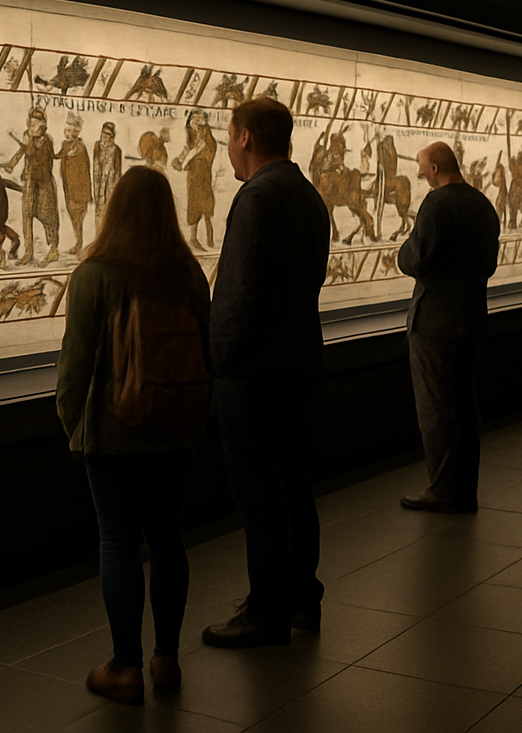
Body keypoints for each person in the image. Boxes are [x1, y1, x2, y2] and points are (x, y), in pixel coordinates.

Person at [55, 167, 211, 705]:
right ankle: (166, 660)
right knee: (168, 538)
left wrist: (75, 425)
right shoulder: (187, 273)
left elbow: (75, 366)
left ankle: (124, 666)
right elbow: (207, 352)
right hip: (176, 429)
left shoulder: (96, 274)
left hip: (114, 430)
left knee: (119, 541)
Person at [202, 97, 329, 649]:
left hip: (253, 368)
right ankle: (301, 597)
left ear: (246, 137)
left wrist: (219, 360)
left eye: (229, 136)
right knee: (295, 484)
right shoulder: (305, 193)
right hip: (298, 358)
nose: (228, 147)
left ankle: (266, 610)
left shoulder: (257, 197)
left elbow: (238, 290)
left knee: (258, 492)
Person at [397, 141, 500, 513]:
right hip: (471, 316)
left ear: (437, 167)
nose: (421, 174)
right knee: (464, 403)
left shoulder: (436, 203)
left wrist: (402, 251)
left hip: (435, 321)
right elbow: (489, 263)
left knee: (436, 407)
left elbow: (417, 258)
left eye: (424, 168)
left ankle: (442, 487)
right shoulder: (481, 203)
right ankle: (465, 488)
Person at [1, 105, 58, 265]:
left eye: (35, 124)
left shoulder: (46, 140)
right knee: (26, 216)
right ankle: (29, 251)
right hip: (30, 182)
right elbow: (22, 151)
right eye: (30, 124)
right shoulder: (28, 137)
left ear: (43, 126)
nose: (31, 127)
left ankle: (53, 249)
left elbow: (39, 157)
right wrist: (11, 164)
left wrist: (30, 143)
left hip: (44, 184)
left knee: (48, 217)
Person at [171, 109, 217, 250]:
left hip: (204, 175)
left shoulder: (206, 135)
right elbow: (187, 149)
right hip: (194, 176)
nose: (197, 121)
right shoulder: (191, 135)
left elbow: (209, 149)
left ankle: (210, 238)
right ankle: (193, 238)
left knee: (207, 206)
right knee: (195, 205)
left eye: (200, 118)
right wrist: (179, 160)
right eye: (194, 118)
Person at [56, 113, 91, 255]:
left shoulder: (80, 147)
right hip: (68, 188)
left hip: (79, 189)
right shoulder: (65, 145)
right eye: (68, 130)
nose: (69, 133)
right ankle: (78, 243)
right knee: (73, 217)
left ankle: (79, 244)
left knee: (78, 218)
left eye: (72, 131)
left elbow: (84, 169)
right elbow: (59, 155)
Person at [92, 121, 122, 232]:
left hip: (110, 184)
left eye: (108, 134)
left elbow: (117, 171)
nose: (105, 136)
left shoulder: (116, 150)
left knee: (110, 213)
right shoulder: (97, 146)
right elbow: (95, 165)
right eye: (104, 133)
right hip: (98, 184)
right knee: (99, 213)